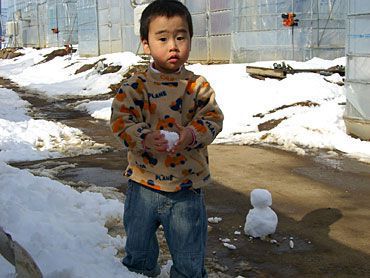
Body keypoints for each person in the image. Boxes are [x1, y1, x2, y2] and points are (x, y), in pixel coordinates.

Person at [110, 0, 223, 277]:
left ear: (190, 40)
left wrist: (191, 134)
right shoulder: (135, 87)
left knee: (189, 260)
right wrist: (145, 137)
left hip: (186, 189)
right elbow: (121, 121)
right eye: (163, 38)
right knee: (138, 254)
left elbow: (213, 119)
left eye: (181, 37)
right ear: (146, 43)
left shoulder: (197, 87)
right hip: (142, 186)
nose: (173, 45)